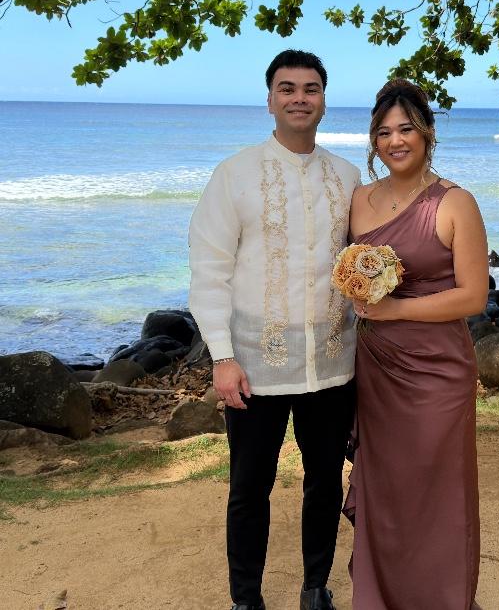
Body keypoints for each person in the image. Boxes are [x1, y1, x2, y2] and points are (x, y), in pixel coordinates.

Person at [188, 50, 361, 610]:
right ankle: (246, 599)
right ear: (269, 100)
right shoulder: (234, 174)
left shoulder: (347, 177)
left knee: (324, 481)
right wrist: (221, 357)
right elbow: (209, 270)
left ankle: (315, 589)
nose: (299, 98)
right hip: (254, 366)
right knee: (248, 488)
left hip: (332, 364)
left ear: (324, 101)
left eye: (311, 89)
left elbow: (359, 265)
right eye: (287, 88)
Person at [343, 79, 489, 609]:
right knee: (387, 485)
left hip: (437, 370)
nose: (395, 141)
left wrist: (396, 309)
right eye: (383, 132)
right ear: (373, 141)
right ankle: (381, 598)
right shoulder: (359, 200)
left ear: (426, 132)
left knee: (437, 487)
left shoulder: (455, 202)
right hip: (377, 367)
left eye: (405, 129)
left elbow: (473, 296)